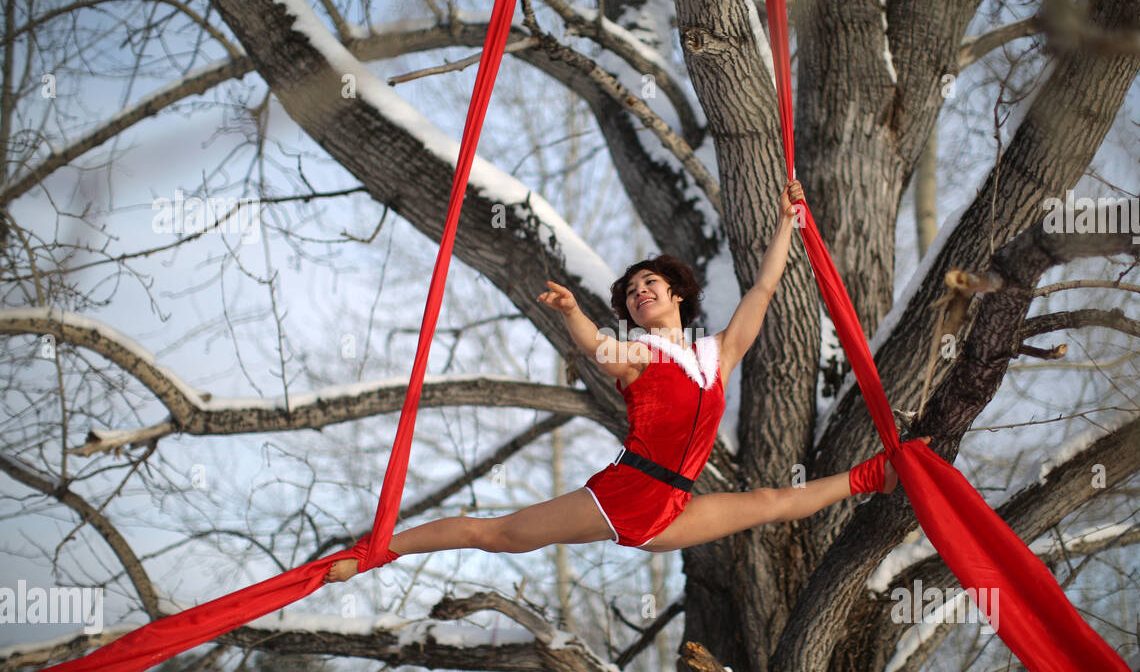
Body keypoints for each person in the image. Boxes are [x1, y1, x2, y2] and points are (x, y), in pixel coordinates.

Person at [324, 179, 923, 582]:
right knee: (503, 535)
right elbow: (594, 347)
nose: (639, 295)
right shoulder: (635, 352)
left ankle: (874, 475)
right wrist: (571, 313)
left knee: (770, 502)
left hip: (673, 507)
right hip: (626, 494)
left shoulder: (714, 356)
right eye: (631, 294)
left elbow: (764, 288)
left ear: (677, 294)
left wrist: (792, 221)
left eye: (648, 286)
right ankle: (381, 550)